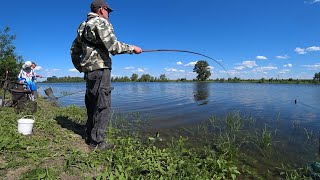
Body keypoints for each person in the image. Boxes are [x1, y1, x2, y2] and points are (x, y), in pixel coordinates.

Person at [70, 0, 142, 150]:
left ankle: (90, 134)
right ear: (102, 9)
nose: (109, 14)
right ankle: (97, 143)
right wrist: (132, 48)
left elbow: (74, 50)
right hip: (101, 69)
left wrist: (81, 67)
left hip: (89, 72)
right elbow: (113, 46)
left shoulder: (82, 26)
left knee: (91, 104)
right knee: (103, 105)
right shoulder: (101, 22)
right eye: (108, 10)